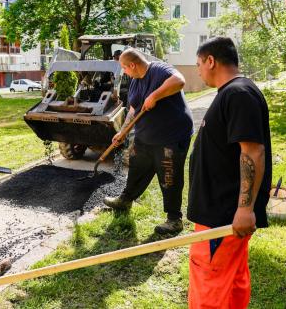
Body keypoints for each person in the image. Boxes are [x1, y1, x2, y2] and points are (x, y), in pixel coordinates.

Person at [187, 37, 272, 308]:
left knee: (209, 285)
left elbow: (252, 152)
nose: (198, 69)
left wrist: (245, 209)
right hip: (225, 215)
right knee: (233, 282)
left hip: (221, 217)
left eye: (199, 63)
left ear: (211, 61)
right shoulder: (233, 93)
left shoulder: (238, 94)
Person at [103, 48, 193, 235]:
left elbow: (180, 81)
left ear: (133, 65)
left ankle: (174, 219)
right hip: (146, 136)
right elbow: (134, 109)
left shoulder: (159, 70)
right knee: (137, 167)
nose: (124, 72)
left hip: (171, 137)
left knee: (169, 177)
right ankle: (125, 200)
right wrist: (123, 132)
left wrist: (155, 95)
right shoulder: (135, 82)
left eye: (124, 68)